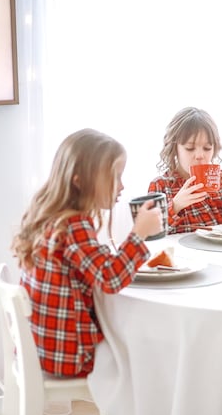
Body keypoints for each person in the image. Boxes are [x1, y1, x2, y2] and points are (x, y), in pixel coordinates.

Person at [11, 128, 163, 378]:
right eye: (114, 177)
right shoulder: (74, 225)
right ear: (79, 180)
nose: (122, 185)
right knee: (147, 350)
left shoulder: (52, 218)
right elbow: (111, 279)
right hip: (69, 354)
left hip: (42, 347)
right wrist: (139, 233)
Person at [147, 107, 222, 234]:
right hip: (185, 253)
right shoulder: (161, 186)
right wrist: (175, 206)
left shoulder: (221, 183)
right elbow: (149, 233)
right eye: (190, 148)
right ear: (175, 148)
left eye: (207, 148)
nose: (200, 155)